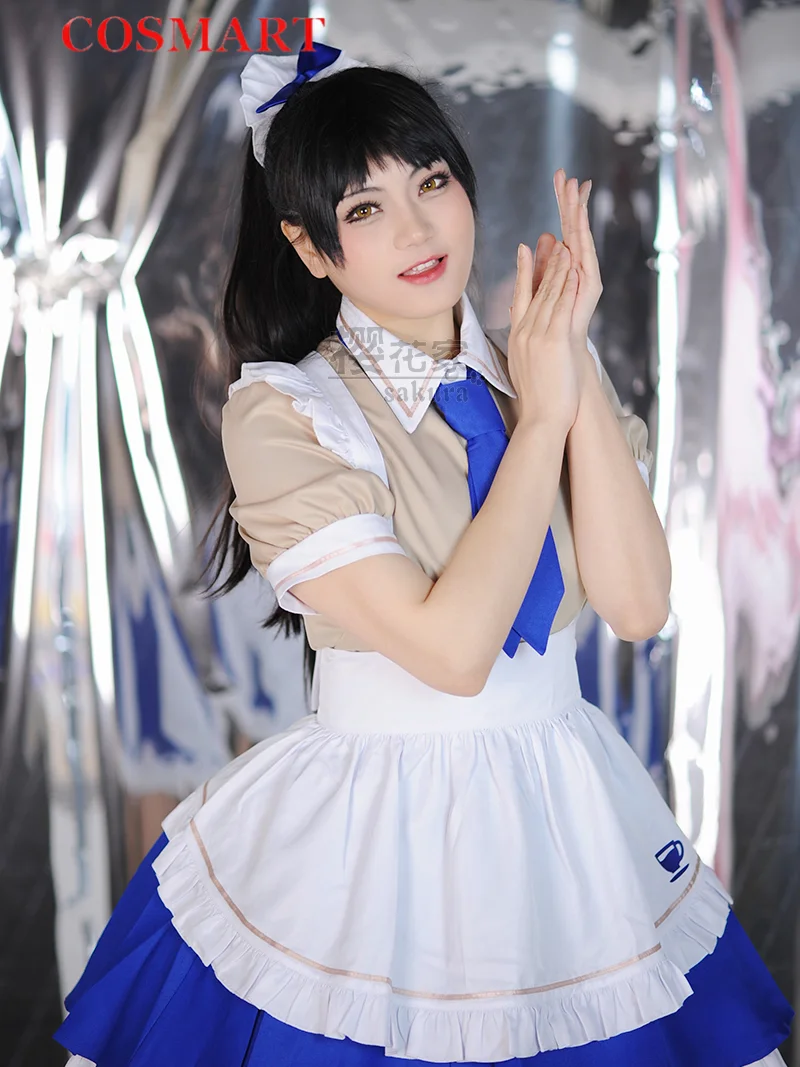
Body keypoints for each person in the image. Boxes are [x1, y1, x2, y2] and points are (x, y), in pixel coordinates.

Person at [54, 41, 793, 1067]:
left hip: (568, 805)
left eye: (431, 182)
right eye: (364, 208)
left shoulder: (538, 360)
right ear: (310, 247)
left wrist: (567, 368)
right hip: (374, 832)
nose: (415, 228)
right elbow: (451, 653)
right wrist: (540, 424)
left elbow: (634, 604)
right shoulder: (289, 413)